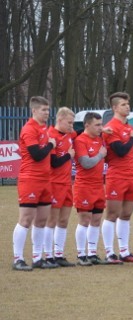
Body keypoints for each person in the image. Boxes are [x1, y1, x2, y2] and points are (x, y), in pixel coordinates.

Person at [12, 96, 57, 271]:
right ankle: (18, 259)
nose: (47, 113)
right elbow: (37, 154)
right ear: (34, 111)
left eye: (48, 110)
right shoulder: (29, 129)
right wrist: (51, 145)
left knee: (41, 220)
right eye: (43, 110)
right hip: (30, 179)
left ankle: (38, 257)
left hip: (46, 180)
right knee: (25, 219)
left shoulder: (44, 129)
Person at [102, 92, 133, 264]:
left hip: (131, 175)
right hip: (116, 175)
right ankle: (110, 252)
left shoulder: (129, 127)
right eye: (124, 104)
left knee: (126, 214)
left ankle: (124, 251)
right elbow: (120, 150)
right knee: (112, 214)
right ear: (115, 107)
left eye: (128, 104)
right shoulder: (112, 127)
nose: (127, 107)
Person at [73, 112, 110, 266]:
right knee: (85, 220)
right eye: (97, 125)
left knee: (96, 220)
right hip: (84, 186)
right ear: (87, 125)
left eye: (101, 124)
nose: (100, 128)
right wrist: (101, 155)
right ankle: (81, 254)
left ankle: (92, 253)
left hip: (98, 185)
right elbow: (86, 163)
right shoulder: (80, 140)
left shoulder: (100, 139)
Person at [46, 107, 77, 267]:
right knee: (51, 220)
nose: (72, 126)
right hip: (54, 184)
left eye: (73, 123)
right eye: (69, 122)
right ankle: (48, 255)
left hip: (67, 184)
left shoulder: (69, 134)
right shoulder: (50, 135)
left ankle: (59, 254)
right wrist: (68, 156)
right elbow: (53, 162)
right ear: (59, 120)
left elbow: (82, 132)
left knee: (64, 220)